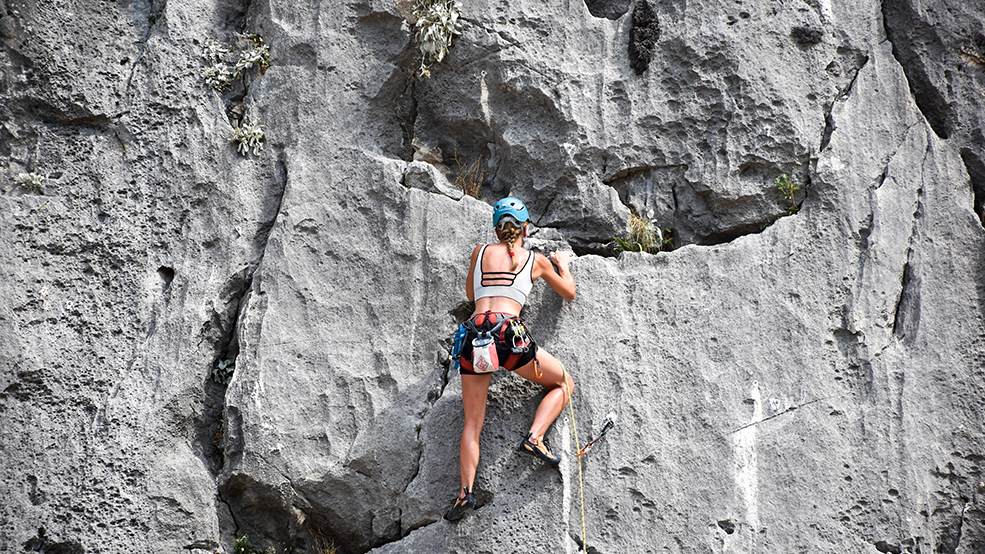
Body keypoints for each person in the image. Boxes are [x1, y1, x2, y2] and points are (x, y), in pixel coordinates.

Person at [445, 196, 576, 521]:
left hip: (473, 335)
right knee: (563, 381)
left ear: (496, 228)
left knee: (472, 423)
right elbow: (569, 293)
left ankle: (465, 494)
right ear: (525, 228)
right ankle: (535, 438)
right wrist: (564, 266)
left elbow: (472, 296)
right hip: (507, 334)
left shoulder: (479, 253)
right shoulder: (535, 259)